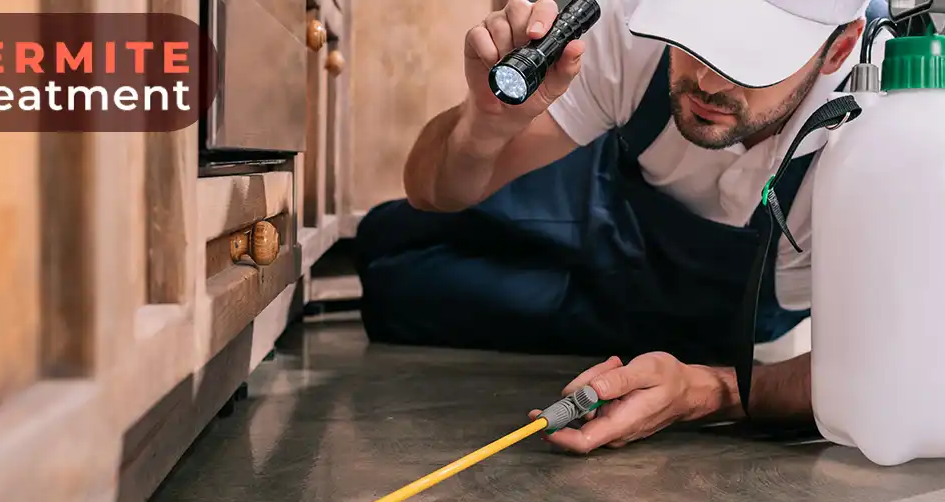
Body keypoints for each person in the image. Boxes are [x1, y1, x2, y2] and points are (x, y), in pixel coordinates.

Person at [353, 0, 890, 453]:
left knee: (412, 292)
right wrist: (484, 124)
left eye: (748, 59)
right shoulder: (628, 31)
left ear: (838, 51)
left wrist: (712, 390)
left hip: (722, 329)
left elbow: (891, 368)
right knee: (391, 248)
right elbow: (431, 191)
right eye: (695, 37)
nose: (705, 80)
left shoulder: (890, 140)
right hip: (611, 210)